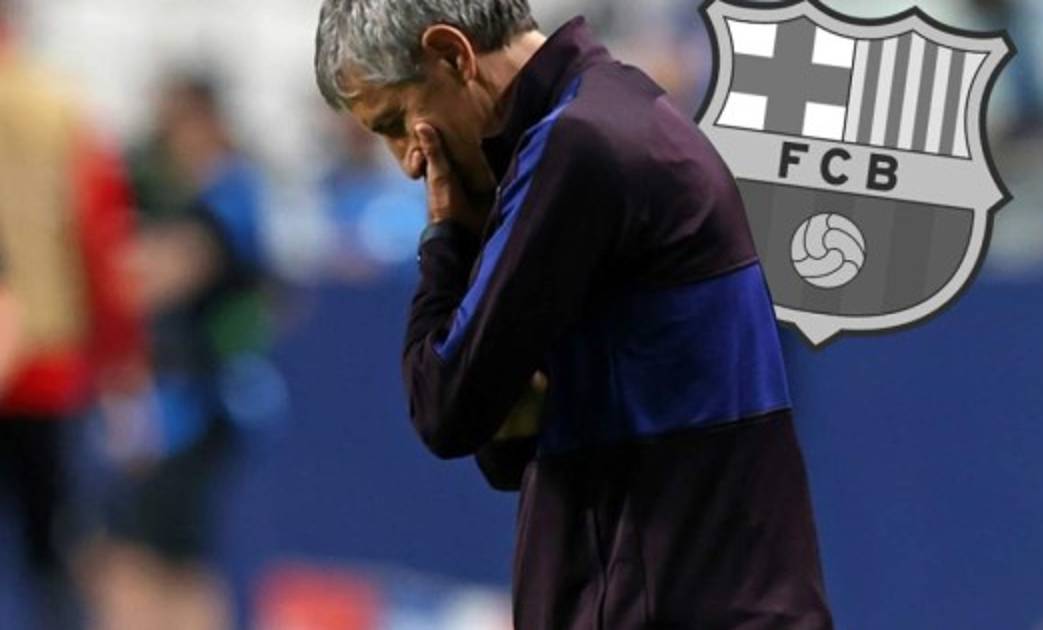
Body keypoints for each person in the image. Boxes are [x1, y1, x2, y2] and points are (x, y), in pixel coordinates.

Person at [315, 1, 833, 628]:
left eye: (398, 122)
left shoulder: (576, 145)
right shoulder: (621, 112)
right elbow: (505, 445)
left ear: (453, 54)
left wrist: (447, 232)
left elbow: (443, 406)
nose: (408, 161)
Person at [84, 74, 274, 630]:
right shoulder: (179, 196)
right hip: (166, 406)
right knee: (125, 555)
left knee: (173, 563)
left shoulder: (231, 193)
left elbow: (158, 275)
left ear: (205, 121)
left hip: (200, 407)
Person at [0, 3, 147, 627]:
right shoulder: (58, 107)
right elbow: (99, 240)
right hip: (44, 360)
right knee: (54, 553)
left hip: (39, 361)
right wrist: (122, 365)